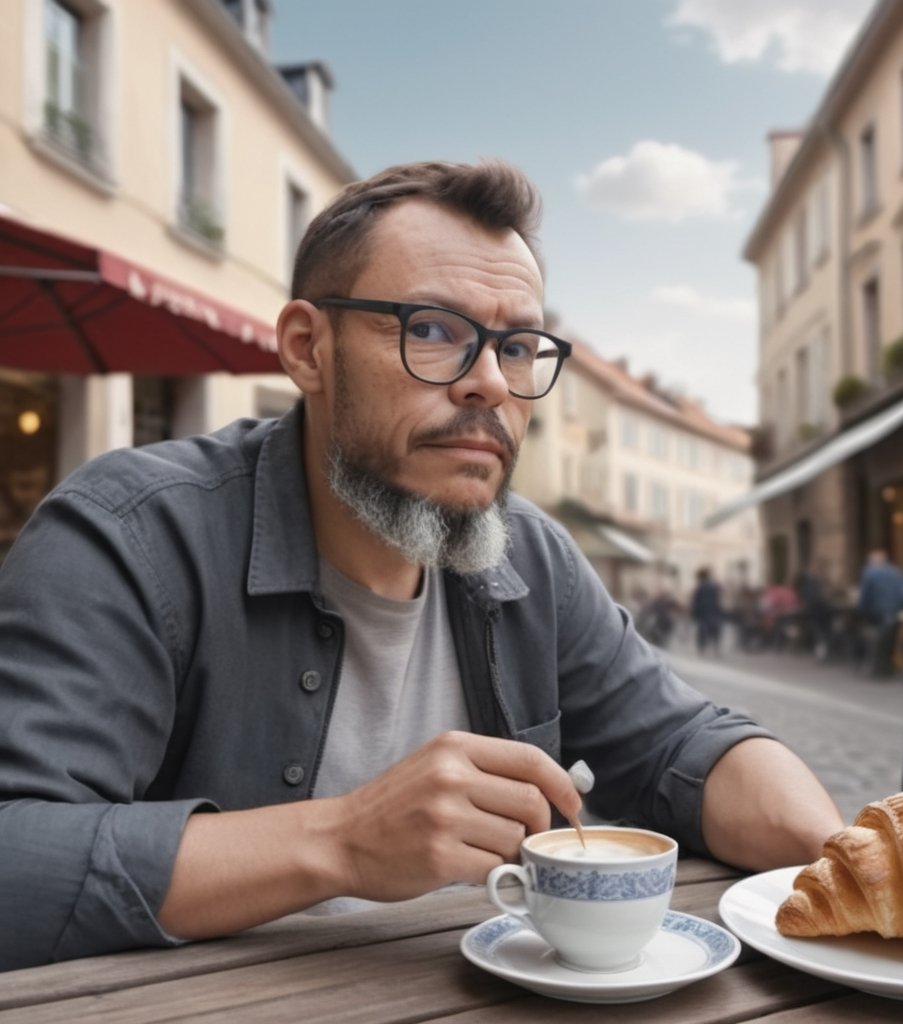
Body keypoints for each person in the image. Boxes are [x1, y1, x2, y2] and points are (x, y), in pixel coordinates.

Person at [0, 160, 843, 971]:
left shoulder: (530, 553)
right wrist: (342, 840)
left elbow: (684, 746)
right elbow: (17, 856)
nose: (489, 384)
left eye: (517, 348)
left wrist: (855, 860)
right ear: (307, 349)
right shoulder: (133, 533)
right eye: (432, 331)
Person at [856, 548, 903, 675]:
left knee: (873, 637)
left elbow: (865, 598)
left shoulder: (869, 572)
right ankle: (889, 665)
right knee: (890, 639)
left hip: (880, 614)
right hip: (898, 614)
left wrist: (862, 614)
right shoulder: (897, 572)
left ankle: (875, 665)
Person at [690, 567, 723, 655]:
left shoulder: (701, 587)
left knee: (704, 630)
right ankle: (715, 647)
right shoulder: (713, 586)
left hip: (704, 611)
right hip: (712, 610)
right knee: (713, 629)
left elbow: (696, 600)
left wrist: (694, 612)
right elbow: (717, 598)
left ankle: (703, 648)